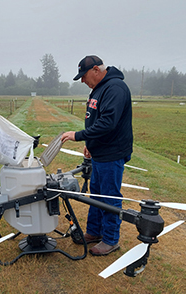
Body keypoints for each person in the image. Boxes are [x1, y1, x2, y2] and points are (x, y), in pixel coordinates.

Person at [61, 55, 133, 256]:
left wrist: (78, 136)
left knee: (109, 197)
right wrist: (90, 144)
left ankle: (111, 240)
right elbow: (95, 119)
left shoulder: (115, 88)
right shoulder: (99, 88)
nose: (83, 81)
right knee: (97, 195)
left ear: (95, 70)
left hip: (112, 152)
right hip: (100, 151)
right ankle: (94, 232)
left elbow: (108, 123)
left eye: (84, 76)